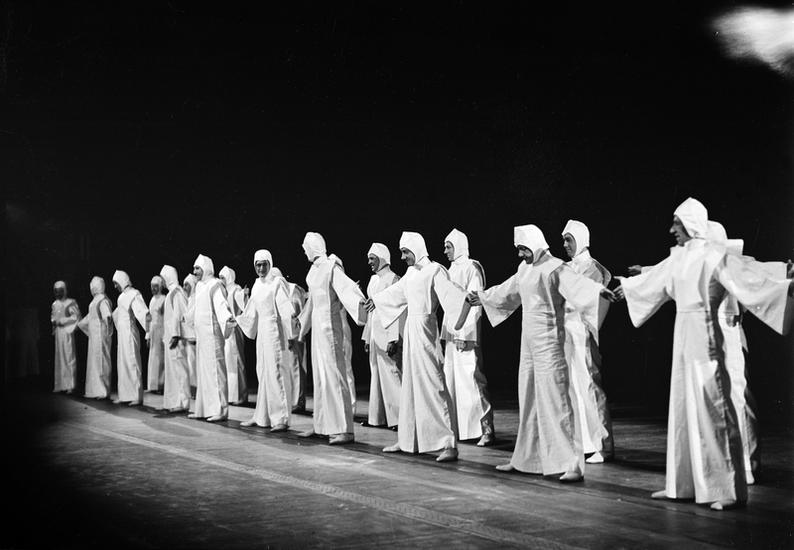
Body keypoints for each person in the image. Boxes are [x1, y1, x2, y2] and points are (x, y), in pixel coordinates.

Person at [614, 197, 793, 510]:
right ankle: (681, 484)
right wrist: (627, 287)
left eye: (677, 223)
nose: (672, 229)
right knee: (682, 405)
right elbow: (655, 281)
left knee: (714, 408)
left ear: (691, 224)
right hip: (683, 335)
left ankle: (728, 489)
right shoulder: (678, 257)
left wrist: (784, 286)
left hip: (706, 335)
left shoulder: (714, 256)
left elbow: (749, 278)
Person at [468, 224, 615, 481]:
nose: (520, 254)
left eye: (523, 249)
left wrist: (599, 292)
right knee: (528, 400)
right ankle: (525, 459)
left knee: (556, 403)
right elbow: (506, 291)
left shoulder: (555, 267)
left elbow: (578, 286)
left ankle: (572, 464)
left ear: (535, 245)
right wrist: (483, 297)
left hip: (551, 344)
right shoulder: (524, 269)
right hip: (528, 345)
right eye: (519, 249)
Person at [367, 231, 469, 463]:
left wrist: (465, 301)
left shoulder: (434, 270)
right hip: (411, 331)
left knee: (433, 384)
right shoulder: (411, 273)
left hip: (425, 330)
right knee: (410, 386)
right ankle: (408, 439)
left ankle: (448, 443)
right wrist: (377, 300)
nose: (403, 257)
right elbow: (396, 293)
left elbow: (451, 295)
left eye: (405, 252)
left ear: (417, 248)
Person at [297, 232, 367, 445]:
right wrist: (301, 327)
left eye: (306, 247)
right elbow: (312, 303)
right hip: (318, 329)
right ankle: (322, 426)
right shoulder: (313, 271)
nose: (304, 252)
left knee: (335, 377)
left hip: (330, 328)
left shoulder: (331, 267)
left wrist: (361, 304)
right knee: (320, 377)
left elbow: (347, 289)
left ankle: (344, 429)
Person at [560, 220, 614, 464]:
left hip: (583, 333)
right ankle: (580, 442)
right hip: (566, 333)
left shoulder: (593, 268)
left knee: (589, 387)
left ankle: (602, 445)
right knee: (572, 387)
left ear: (581, 240)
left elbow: (590, 300)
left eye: (569, 240)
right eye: (564, 240)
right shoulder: (565, 267)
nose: (565, 245)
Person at [441, 228, 494, 446]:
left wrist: (464, 333)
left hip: (466, 333)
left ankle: (485, 429)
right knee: (452, 380)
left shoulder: (472, 267)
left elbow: (474, 302)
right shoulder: (449, 270)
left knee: (471, 379)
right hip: (451, 333)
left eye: (449, 247)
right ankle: (459, 429)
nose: (445, 251)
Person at [236, 250, 297, 431]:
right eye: (258, 265)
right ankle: (261, 416)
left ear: (270, 264)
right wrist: (237, 319)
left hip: (274, 332)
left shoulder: (277, 283)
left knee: (276, 373)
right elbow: (251, 310)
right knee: (262, 372)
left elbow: (285, 308)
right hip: (262, 333)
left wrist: (291, 331)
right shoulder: (256, 285)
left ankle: (281, 418)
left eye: (264, 264)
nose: (261, 268)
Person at [186, 254, 236, 422]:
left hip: (212, 336)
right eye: (194, 268)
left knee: (216, 372)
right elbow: (194, 308)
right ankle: (203, 409)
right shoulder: (199, 286)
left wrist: (227, 318)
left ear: (206, 268)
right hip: (202, 337)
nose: (194, 272)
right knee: (204, 373)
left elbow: (221, 304)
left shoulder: (215, 285)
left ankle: (220, 410)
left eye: (197, 268)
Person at [361, 243, 403, 429]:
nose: (369, 262)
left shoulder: (394, 279)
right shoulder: (373, 280)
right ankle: (377, 418)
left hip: (387, 334)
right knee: (376, 375)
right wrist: (366, 336)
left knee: (391, 375)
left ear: (382, 258)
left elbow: (396, 311)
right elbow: (371, 312)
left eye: (372, 258)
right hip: (374, 334)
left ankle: (400, 419)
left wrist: (393, 338)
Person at [271, 267, 309, 413]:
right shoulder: (278, 292)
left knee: (297, 367)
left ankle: (298, 402)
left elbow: (299, 313)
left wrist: (295, 335)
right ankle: (290, 400)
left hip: (296, 335)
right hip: (284, 336)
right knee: (288, 368)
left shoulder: (293, 290)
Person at [112, 270, 149, 406]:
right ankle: (125, 395)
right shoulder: (122, 296)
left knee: (132, 362)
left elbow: (142, 313)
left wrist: (148, 331)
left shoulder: (134, 294)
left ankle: (136, 396)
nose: (115, 286)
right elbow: (119, 312)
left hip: (129, 332)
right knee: (123, 363)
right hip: (122, 333)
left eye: (116, 283)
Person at [160, 265, 191, 413]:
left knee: (179, 370)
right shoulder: (172, 293)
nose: (162, 281)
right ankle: (175, 401)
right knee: (173, 370)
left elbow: (180, 315)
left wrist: (176, 334)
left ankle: (182, 402)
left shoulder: (176, 293)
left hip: (175, 339)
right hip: (171, 337)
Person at [329, 253, 357, 415]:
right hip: (333, 329)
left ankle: (350, 406)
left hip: (342, 329)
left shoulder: (344, 287)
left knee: (345, 368)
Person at [77, 276, 113, 399]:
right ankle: (94, 390)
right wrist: (80, 324)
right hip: (94, 336)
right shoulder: (95, 301)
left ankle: (103, 391)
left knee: (101, 362)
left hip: (100, 335)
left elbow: (107, 315)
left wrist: (107, 328)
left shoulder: (102, 300)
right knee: (95, 362)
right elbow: (90, 316)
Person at [219, 266, 248, 405]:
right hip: (227, 329)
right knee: (229, 361)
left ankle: (240, 396)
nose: (221, 280)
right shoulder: (223, 291)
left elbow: (244, 306)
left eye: (223, 277)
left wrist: (245, 295)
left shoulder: (236, 289)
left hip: (235, 328)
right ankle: (231, 395)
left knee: (237, 361)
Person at [51, 281, 80, 394]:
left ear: (64, 291)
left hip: (67, 331)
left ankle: (70, 385)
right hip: (59, 333)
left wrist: (63, 321)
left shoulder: (70, 302)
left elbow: (76, 317)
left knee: (68, 356)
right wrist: (54, 322)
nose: (58, 293)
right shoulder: (55, 304)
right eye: (56, 291)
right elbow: (53, 316)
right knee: (59, 358)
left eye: (60, 291)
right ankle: (59, 385)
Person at [145, 275, 166, 393]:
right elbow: (148, 319)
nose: (153, 289)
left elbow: (166, 318)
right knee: (153, 359)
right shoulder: (152, 300)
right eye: (152, 286)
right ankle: (152, 386)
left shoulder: (164, 299)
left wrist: (165, 335)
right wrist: (147, 335)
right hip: (153, 331)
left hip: (161, 331)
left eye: (156, 286)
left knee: (160, 359)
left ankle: (160, 386)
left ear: (160, 287)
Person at [182, 273, 198, 391]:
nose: (184, 287)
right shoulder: (188, 299)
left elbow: (190, 316)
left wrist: (184, 317)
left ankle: (195, 388)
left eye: (186, 285)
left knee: (193, 364)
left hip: (193, 336)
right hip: (187, 336)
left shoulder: (196, 298)